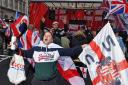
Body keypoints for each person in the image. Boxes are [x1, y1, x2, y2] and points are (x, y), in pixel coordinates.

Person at [12, 31, 85, 85]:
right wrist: (16, 48)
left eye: (48, 36)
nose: (46, 37)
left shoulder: (56, 50)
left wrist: (82, 47)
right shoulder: (36, 49)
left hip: (52, 82)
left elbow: (71, 51)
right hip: (37, 82)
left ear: (52, 40)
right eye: (45, 36)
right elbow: (24, 53)